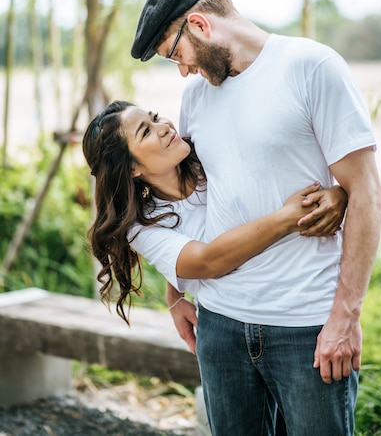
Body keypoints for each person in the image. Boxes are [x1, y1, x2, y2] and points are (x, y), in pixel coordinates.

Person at [131, 0, 381, 436]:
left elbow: (367, 190)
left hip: (306, 326)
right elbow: (198, 197)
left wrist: (346, 316)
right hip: (220, 327)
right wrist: (175, 292)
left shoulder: (312, 66)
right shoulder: (196, 97)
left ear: (200, 26)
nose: (182, 69)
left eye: (175, 54)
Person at [82, 100, 347, 325]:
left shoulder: (211, 158)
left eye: (155, 118)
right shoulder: (143, 226)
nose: (164, 127)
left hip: (298, 308)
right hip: (224, 327)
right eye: (146, 132)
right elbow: (209, 262)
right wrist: (287, 219)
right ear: (131, 169)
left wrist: (339, 193)